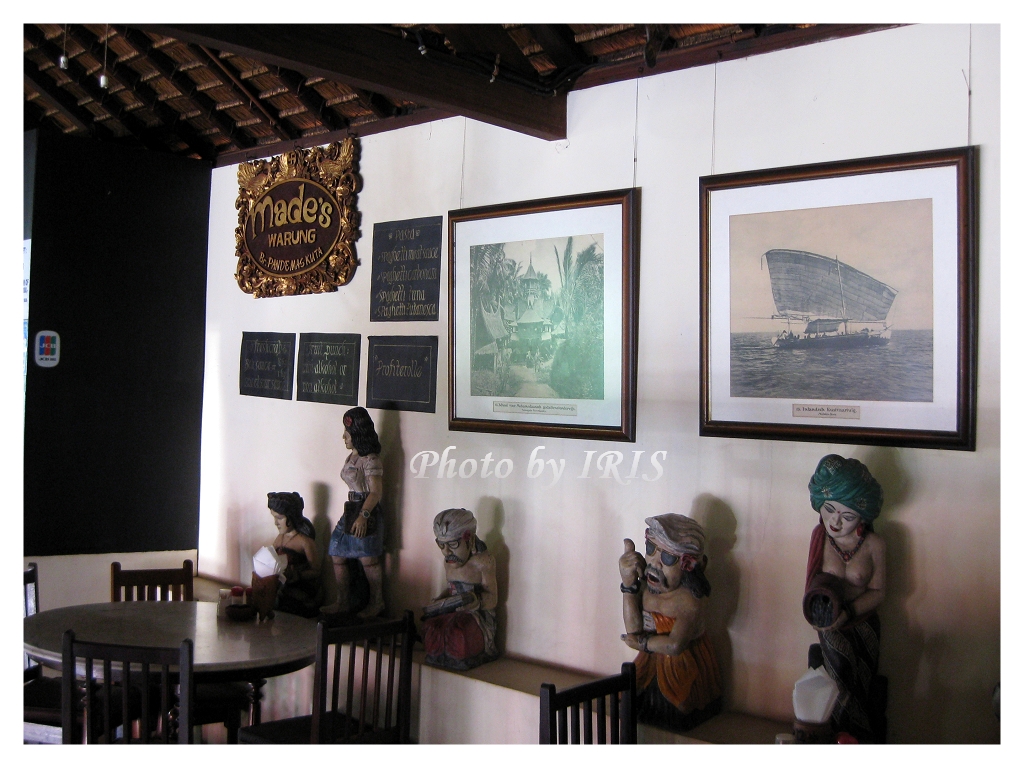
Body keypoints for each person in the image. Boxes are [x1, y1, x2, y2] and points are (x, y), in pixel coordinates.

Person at [803, 454, 887, 742]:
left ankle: (860, 737)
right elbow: (811, 584)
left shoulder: (874, 545)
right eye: (829, 510)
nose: (835, 522)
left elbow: (879, 592)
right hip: (829, 621)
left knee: (861, 682)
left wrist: (849, 613)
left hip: (862, 622)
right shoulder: (820, 537)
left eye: (847, 516)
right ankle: (835, 734)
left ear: (862, 516)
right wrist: (824, 614)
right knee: (837, 673)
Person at [619, 513, 722, 732]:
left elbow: (675, 645)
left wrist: (643, 643)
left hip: (682, 667)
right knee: (630, 701)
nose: (654, 562)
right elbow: (634, 630)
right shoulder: (647, 588)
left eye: (667, 558)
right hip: (650, 663)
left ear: (689, 566)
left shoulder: (688, 601)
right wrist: (628, 585)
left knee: (676, 709)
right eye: (651, 549)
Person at [323, 407, 385, 618]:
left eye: (347, 433)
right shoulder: (352, 457)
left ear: (357, 434)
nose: (344, 437)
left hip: (366, 509)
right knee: (336, 551)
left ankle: (377, 602)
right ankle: (342, 601)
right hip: (351, 508)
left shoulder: (371, 460)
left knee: (368, 558)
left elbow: (376, 492)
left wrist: (363, 516)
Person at [421, 508, 499, 671]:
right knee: (432, 627)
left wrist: (476, 602)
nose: (446, 551)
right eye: (441, 545)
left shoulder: (484, 561)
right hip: (453, 610)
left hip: (476, 614)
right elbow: (451, 589)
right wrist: (440, 599)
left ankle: (467, 655)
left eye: (453, 544)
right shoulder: (448, 561)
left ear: (469, 539)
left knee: (459, 631)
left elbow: (492, 597)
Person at [267, 491, 322, 618]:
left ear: (292, 517)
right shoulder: (280, 537)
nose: (276, 522)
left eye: (280, 518)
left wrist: (297, 575)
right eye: (274, 517)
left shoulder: (304, 542)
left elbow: (316, 571)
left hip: (299, 589)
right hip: (282, 585)